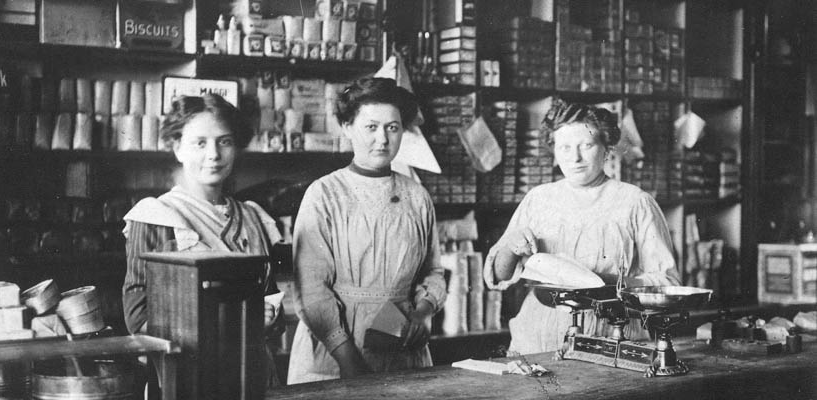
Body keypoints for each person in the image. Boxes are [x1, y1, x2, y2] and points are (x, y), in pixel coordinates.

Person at [483, 98, 681, 355]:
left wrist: (605, 283)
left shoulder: (635, 202)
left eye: (586, 145)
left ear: (606, 148)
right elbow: (498, 276)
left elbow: (667, 282)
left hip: (611, 342)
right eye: (564, 147)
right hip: (536, 342)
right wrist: (511, 246)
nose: (574, 158)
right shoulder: (538, 198)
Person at [287, 77, 447, 384]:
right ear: (347, 127)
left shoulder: (417, 196)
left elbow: (433, 271)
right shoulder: (325, 194)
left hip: (401, 348)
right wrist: (348, 361)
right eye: (371, 127)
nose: (383, 139)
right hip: (336, 354)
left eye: (393, 127)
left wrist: (421, 312)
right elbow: (311, 288)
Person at [121, 94, 284, 385]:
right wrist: (237, 324)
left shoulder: (254, 217)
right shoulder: (158, 215)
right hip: (193, 379)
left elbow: (272, 303)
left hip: (256, 377)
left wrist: (271, 318)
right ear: (177, 148)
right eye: (200, 143)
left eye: (225, 142)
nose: (214, 155)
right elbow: (139, 320)